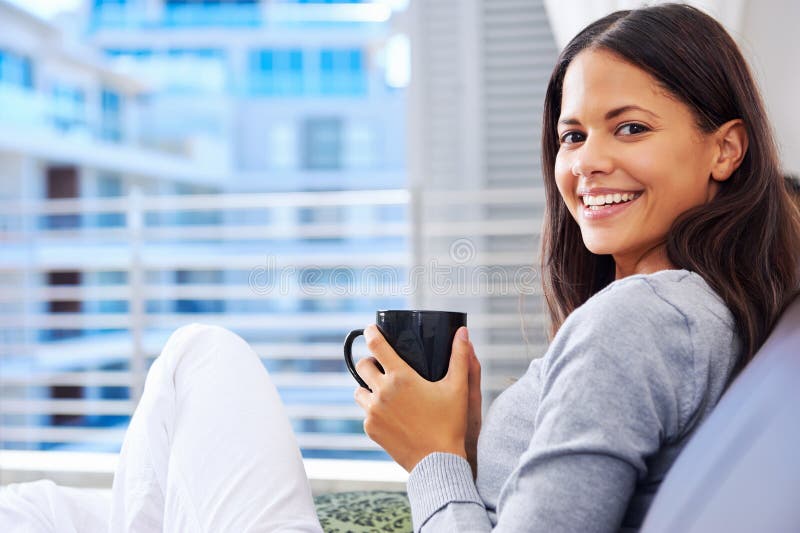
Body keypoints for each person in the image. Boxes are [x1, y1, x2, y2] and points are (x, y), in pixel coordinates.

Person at [2, 3, 799, 532]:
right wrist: (479, 436)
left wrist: (433, 457)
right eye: (572, 135)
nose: (589, 162)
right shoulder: (707, 312)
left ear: (726, 146)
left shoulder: (638, 321)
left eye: (629, 128)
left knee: (199, 357)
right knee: (51, 509)